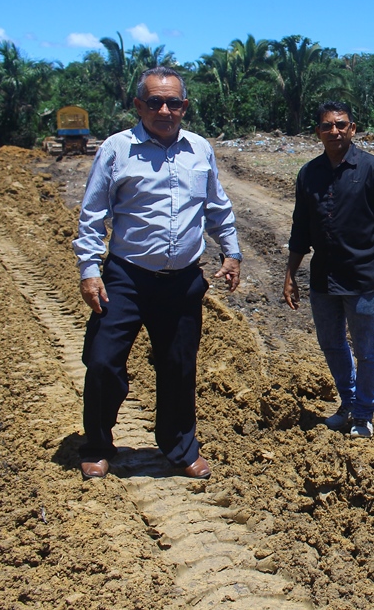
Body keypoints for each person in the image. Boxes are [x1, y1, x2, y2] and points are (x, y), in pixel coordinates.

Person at [72, 66, 242, 480]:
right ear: (138, 106)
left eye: (173, 102)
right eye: (154, 102)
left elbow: (216, 206)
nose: (164, 110)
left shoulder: (200, 149)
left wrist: (231, 251)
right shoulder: (117, 149)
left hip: (182, 281)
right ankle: (97, 443)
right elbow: (93, 214)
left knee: (178, 366)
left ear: (185, 107)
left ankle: (179, 446)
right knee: (102, 361)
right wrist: (89, 269)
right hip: (126, 278)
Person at [283, 100, 374, 439]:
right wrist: (290, 275)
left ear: (353, 129)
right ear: (318, 132)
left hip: (362, 277)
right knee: (331, 344)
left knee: (365, 348)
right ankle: (349, 402)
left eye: (341, 125)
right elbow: (300, 228)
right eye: (327, 126)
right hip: (323, 278)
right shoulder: (309, 174)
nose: (334, 131)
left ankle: (364, 413)